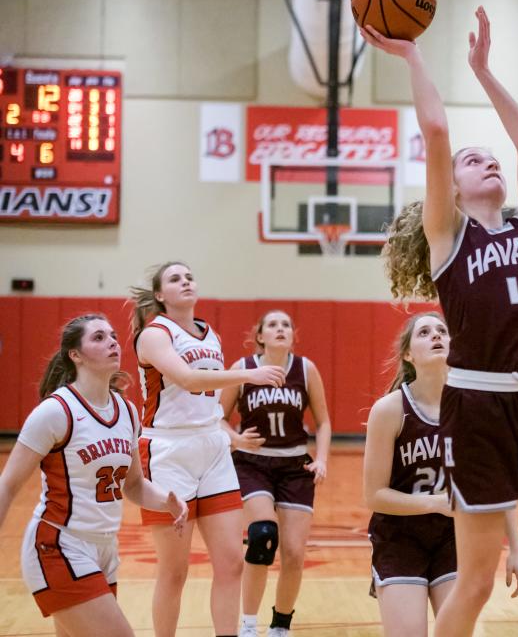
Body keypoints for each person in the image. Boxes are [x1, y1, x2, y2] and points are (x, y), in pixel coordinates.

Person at [364, 6, 518, 636]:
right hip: (478, 405)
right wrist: (413, 57)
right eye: (472, 161)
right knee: (478, 579)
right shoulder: (446, 238)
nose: (488, 162)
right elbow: (435, 133)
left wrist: (484, 72)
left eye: (490, 160)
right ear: (451, 190)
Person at [0, 314, 188, 637]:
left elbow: (133, 485)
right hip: (58, 546)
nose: (112, 342)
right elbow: (8, 485)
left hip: (103, 550)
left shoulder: (127, 412)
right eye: (98, 338)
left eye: (113, 336)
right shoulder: (55, 411)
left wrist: (168, 501)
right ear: (75, 354)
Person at [130, 261, 286, 637]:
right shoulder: (154, 335)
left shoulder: (209, 333)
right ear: (160, 295)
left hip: (212, 449)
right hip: (169, 449)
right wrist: (248, 373)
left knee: (231, 563)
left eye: (188, 277)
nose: (185, 282)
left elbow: (208, 397)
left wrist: (228, 434)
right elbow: (185, 379)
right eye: (174, 279)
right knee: (174, 571)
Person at [363, 312, 518, 637]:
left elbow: (499, 483)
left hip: (454, 537)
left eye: (442, 330)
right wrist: (436, 503)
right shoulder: (389, 410)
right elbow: (374, 496)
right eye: (424, 332)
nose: (436, 335)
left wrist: (517, 550)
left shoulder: (474, 407)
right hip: (399, 537)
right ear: (408, 354)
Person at [220, 310, 333, 637]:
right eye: (273, 325)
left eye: (286, 325)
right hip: (253, 463)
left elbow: (324, 421)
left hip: (295, 466)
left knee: (295, 554)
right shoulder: (243, 369)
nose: (280, 329)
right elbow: (217, 416)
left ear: (292, 336)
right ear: (260, 336)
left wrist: (322, 459)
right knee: (262, 536)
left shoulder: (305, 369)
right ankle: (249, 624)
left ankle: (281, 626)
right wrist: (237, 439)